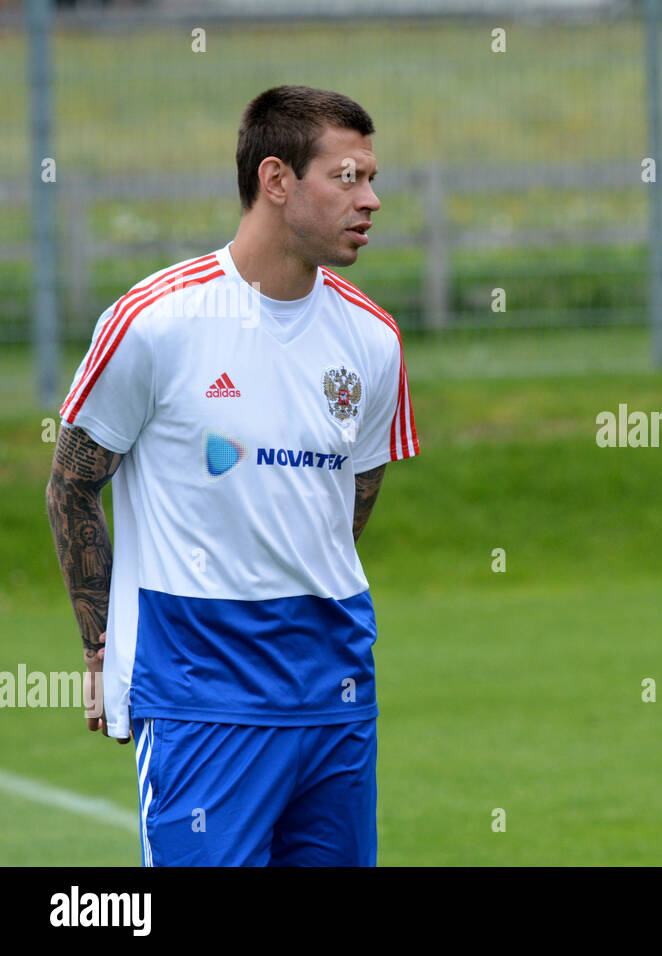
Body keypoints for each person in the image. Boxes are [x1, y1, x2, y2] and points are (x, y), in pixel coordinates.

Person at [46, 85, 419, 866]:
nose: (372, 200)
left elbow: (352, 495)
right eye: (347, 178)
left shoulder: (374, 339)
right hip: (199, 696)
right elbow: (74, 482)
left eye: (372, 178)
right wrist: (99, 646)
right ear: (276, 180)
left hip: (336, 693)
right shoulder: (156, 322)